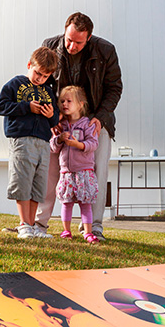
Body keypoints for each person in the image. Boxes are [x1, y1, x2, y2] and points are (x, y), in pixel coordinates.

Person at [35, 12, 123, 241]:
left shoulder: (106, 51)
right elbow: (42, 84)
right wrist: (53, 119)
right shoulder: (50, 45)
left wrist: (101, 118)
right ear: (64, 31)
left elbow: (114, 88)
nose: (72, 46)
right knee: (49, 171)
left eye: (79, 42)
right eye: (69, 39)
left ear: (89, 37)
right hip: (59, 121)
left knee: (98, 172)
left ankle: (94, 228)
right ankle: (39, 224)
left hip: (95, 120)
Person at [0, 47, 59, 239]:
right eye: (37, 72)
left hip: (43, 143)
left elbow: (54, 119)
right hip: (22, 140)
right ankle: (23, 225)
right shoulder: (16, 83)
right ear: (29, 65)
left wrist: (51, 116)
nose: (40, 78)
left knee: (37, 185)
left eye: (45, 75)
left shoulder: (49, 91)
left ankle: (32, 227)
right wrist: (27, 107)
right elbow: (1, 106)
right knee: (22, 181)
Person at [50, 86, 100, 244]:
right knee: (66, 202)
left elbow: (93, 144)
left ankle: (88, 232)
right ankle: (66, 230)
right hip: (66, 172)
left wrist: (78, 144)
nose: (64, 104)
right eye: (62, 101)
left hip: (84, 171)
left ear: (80, 104)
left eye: (69, 101)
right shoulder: (61, 125)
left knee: (85, 203)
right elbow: (53, 147)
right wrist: (59, 139)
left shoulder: (87, 124)